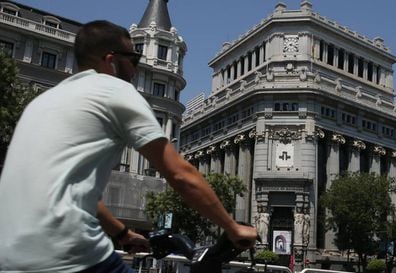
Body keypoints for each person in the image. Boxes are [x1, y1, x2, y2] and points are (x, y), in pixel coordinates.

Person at [0, 20, 257, 273]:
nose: (135, 71)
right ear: (111, 61)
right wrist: (232, 227)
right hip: (66, 253)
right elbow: (180, 173)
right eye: (133, 61)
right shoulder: (113, 89)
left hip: (10, 255)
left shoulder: (42, 102)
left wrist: (122, 233)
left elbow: (73, 191)